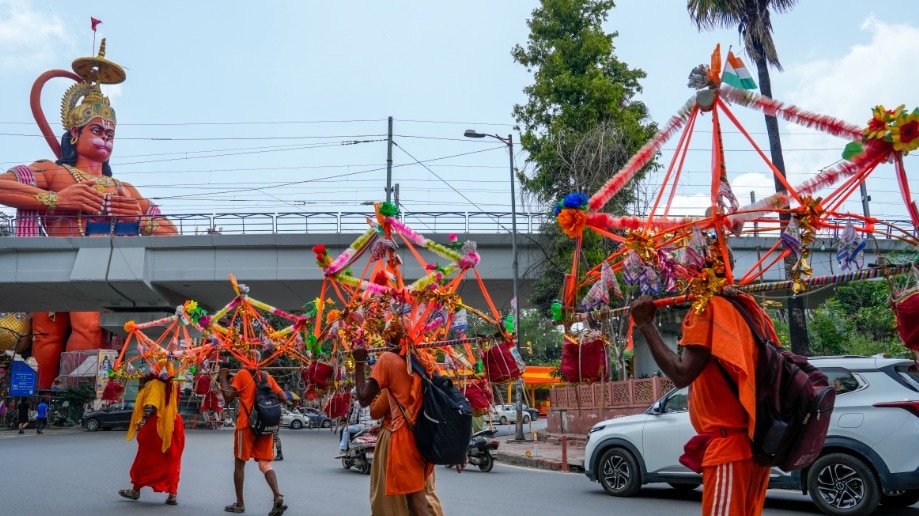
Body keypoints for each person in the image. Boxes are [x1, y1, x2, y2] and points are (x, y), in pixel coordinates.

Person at [0, 42, 177, 390]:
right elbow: (3, 185)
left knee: (91, 327)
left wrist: (141, 218)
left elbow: (170, 232)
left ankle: (81, 396)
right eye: (97, 131)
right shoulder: (51, 171)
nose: (105, 140)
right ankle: (40, 399)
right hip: (53, 263)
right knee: (47, 337)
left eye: (110, 134)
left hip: (103, 269)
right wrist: (55, 199)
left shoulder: (124, 187)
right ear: (74, 134)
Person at [630, 292, 772, 515]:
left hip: (730, 447)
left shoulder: (709, 309)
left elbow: (681, 374)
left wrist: (645, 324)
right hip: (754, 444)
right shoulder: (749, 309)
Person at [352, 328, 460, 516]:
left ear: (390, 339)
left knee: (416, 506)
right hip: (426, 438)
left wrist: (359, 362)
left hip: (405, 440)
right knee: (421, 499)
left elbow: (363, 399)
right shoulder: (426, 359)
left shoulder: (387, 360)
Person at [218, 359, 288, 516]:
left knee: (239, 463)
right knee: (264, 464)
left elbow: (228, 396)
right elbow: (283, 397)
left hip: (247, 425)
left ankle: (240, 504)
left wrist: (223, 377)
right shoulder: (267, 376)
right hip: (265, 427)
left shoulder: (242, 374)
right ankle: (277, 495)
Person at [118, 362, 185, 505]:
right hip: (174, 421)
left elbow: (147, 403)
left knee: (144, 458)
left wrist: (142, 384)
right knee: (172, 459)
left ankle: (136, 490)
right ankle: (173, 494)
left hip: (158, 423)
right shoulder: (174, 384)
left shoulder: (155, 384)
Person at [369, 389, 443, 516]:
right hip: (423, 440)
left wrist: (375, 390)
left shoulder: (392, 377)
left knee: (391, 500)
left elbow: (375, 411)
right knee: (424, 493)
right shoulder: (429, 372)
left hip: (397, 439)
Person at [336, 388, 377, 458]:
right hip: (375, 426)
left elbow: (353, 419)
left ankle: (343, 449)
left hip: (362, 426)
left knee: (346, 429)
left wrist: (350, 423)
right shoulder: (375, 400)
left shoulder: (358, 403)